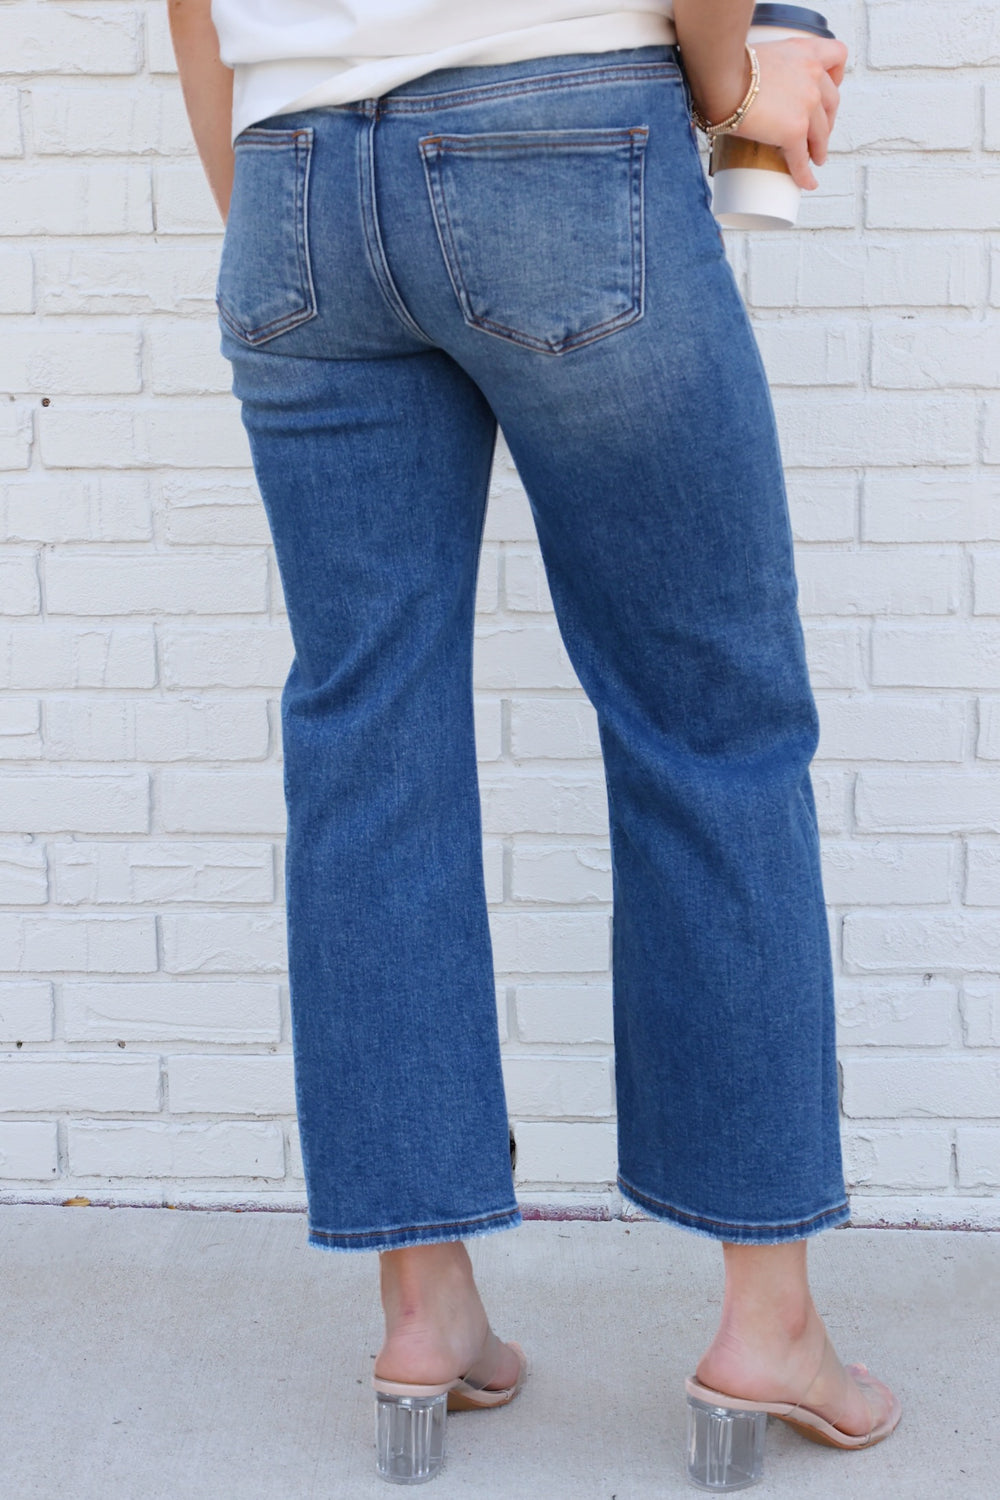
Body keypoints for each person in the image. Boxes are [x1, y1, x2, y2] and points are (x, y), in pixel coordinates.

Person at [167, 0, 902, 1486]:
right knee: (710, 725)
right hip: (559, 126)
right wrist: (735, 82)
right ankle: (769, 1326)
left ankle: (424, 1311)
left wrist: (276, 189)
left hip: (291, 171)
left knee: (365, 738)